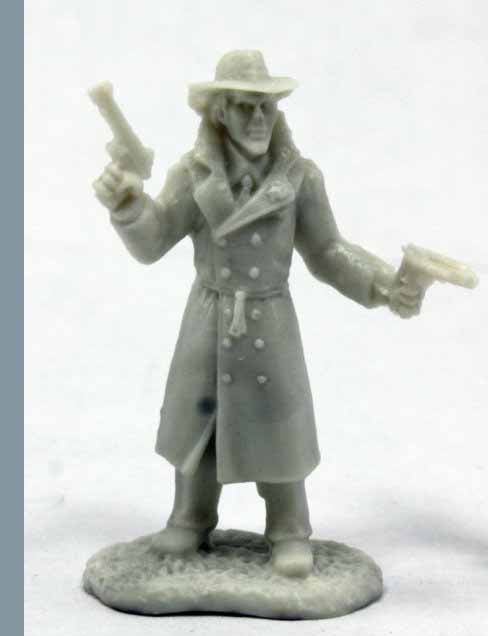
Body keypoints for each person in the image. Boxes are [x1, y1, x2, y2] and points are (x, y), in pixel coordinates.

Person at [93, 50, 423, 578]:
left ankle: (289, 528)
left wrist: (384, 285)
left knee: (280, 427)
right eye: (245, 106)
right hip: (209, 316)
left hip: (270, 317)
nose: (258, 119)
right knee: (199, 422)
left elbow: (328, 250)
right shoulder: (192, 174)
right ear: (219, 112)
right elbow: (154, 241)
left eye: (266, 106)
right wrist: (128, 206)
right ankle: (191, 517)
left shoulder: (300, 178)